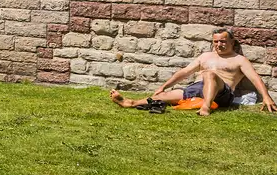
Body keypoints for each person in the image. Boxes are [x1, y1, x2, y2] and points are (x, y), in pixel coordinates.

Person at [110, 30, 276, 114]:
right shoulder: (205, 56)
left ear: (232, 41)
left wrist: (266, 97)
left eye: (223, 41)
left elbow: (255, 79)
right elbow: (184, 72)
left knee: (210, 74)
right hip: (197, 88)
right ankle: (130, 103)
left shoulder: (239, 59)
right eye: (216, 41)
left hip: (222, 93)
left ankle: (206, 107)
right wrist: (163, 86)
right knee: (164, 97)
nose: (219, 45)